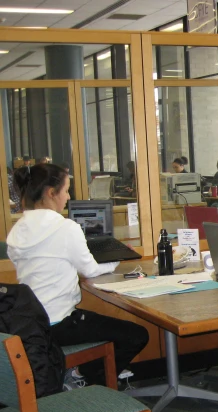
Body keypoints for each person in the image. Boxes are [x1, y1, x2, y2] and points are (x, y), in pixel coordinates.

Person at [6, 163, 149, 389]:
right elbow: (90, 270)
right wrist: (116, 260)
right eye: (66, 190)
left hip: (32, 323)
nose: (68, 196)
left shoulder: (17, 230)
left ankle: (78, 373)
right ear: (51, 193)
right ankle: (87, 379)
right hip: (60, 322)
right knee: (137, 335)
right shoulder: (65, 227)